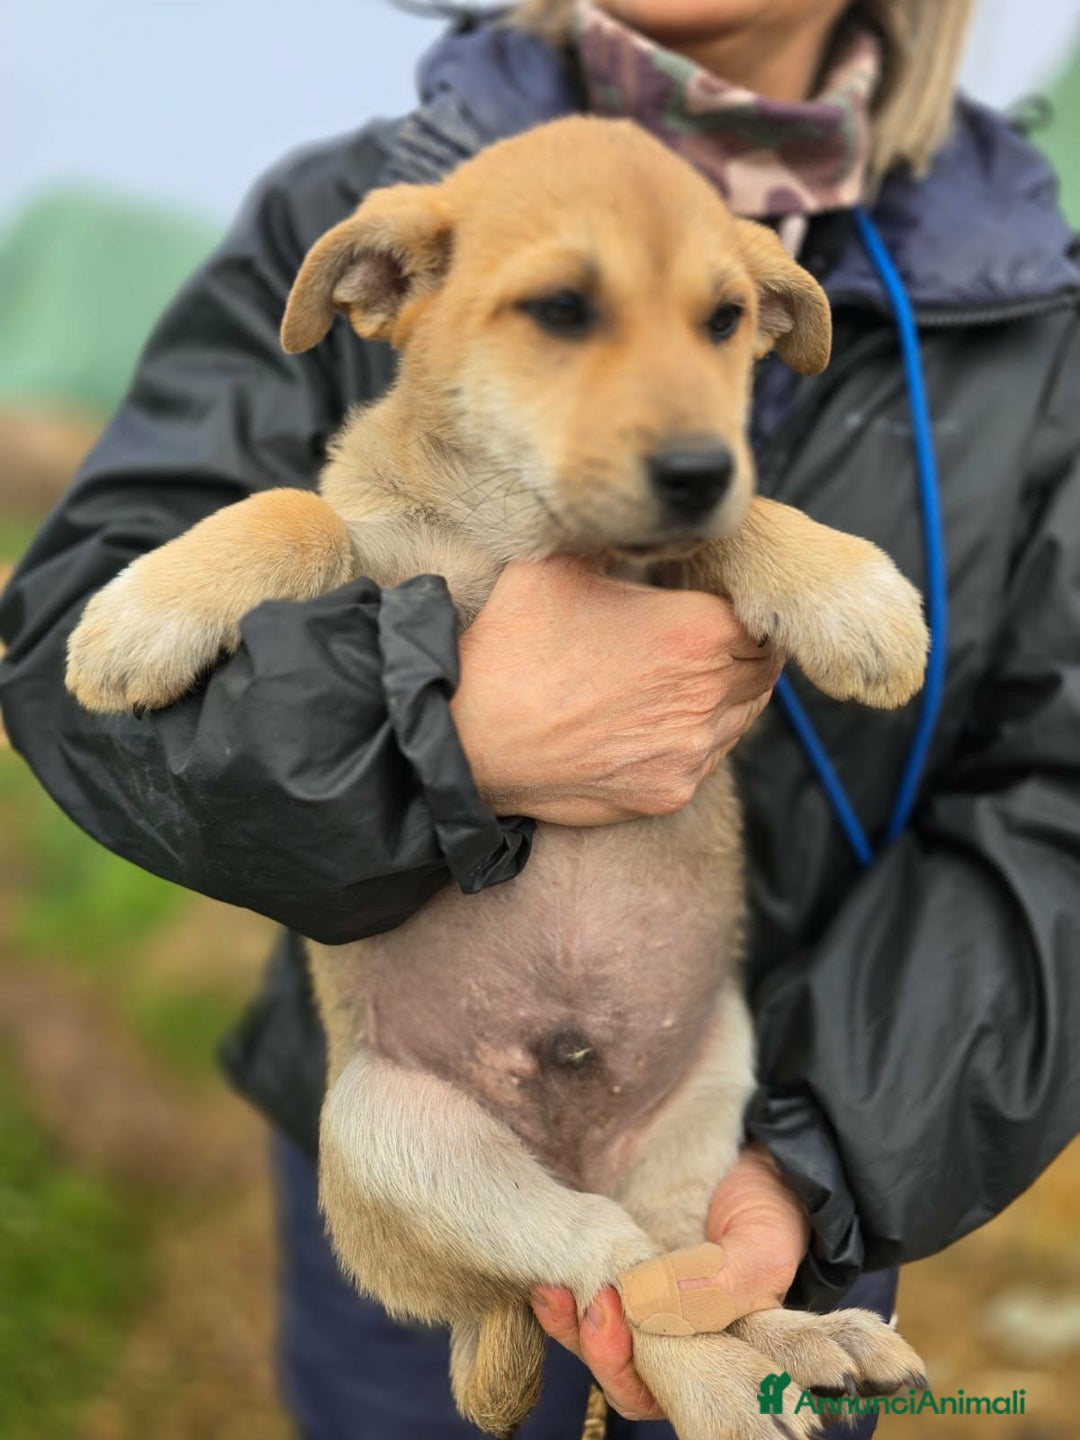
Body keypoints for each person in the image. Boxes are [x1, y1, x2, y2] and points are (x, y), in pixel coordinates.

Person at [1, 1, 1078, 1436]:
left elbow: (1054, 804)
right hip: (431, 1104)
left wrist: (815, 1165)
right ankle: (616, 1293)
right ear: (380, 286)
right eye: (566, 311)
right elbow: (79, 662)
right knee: (404, 1167)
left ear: (766, 315)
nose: (683, 414)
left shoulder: (1036, 318)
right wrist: (457, 732)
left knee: (730, 1307)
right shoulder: (363, 215)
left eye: (716, 320)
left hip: (758, 1132)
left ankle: (707, 1335)